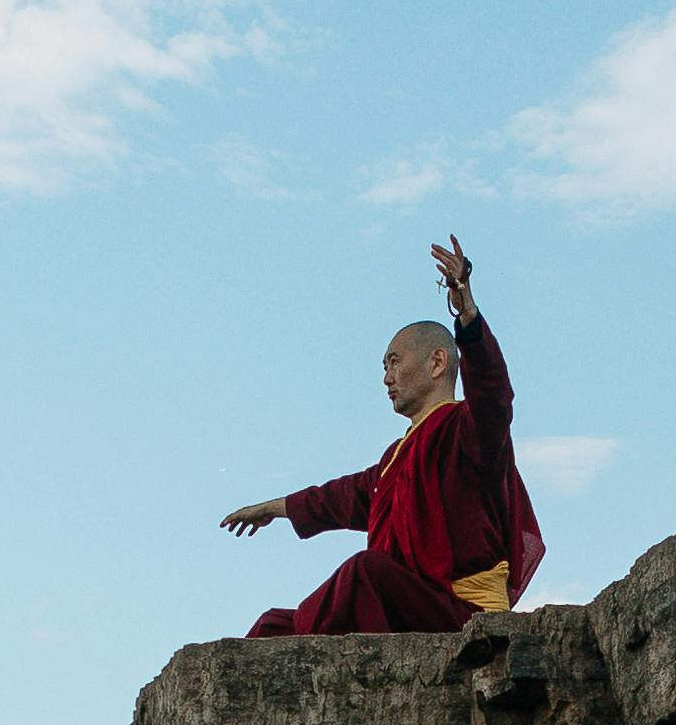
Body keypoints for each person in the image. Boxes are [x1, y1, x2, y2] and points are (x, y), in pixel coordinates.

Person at [221, 238, 546, 637]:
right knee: (273, 626)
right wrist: (274, 507)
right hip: (403, 600)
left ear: (437, 362)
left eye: (395, 362)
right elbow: (340, 497)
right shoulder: (397, 456)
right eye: (384, 367)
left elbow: (493, 397)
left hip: (461, 608)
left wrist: (469, 318)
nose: (387, 377)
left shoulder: (467, 429)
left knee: (366, 571)